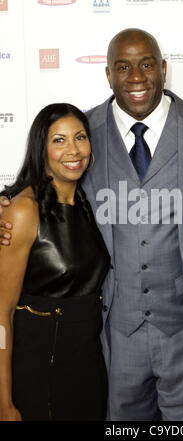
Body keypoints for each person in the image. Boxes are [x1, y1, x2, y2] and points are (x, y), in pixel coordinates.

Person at [0, 29, 183, 421]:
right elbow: (45, 187)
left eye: (146, 64)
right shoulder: (83, 135)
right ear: (108, 75)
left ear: (163, 68)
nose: (136, 77)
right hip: (112, 334)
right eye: (122, 67)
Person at [0, 103, 110, 421]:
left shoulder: (86, 203)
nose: (72, 150)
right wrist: (4, 402)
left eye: (80, 137)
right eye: (59, 140)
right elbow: (2, 314)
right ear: (42, 148)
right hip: (38, 373)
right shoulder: (23, 210)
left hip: (86, 369)